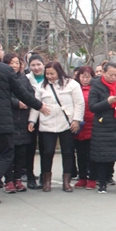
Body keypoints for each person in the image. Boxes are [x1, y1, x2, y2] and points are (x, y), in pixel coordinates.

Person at [0, 40, 49, 204]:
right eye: (1, 49)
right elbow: (22, 92)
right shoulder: (5, 70)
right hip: (1, 121)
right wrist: (39, 105)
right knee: (6, 154)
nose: (3, 52)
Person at [28, 61, 84, 192]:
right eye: (47, 74)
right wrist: (32, 121)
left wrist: (76, 120)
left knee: (67, 152)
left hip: (67, 123)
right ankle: (46, 180)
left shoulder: (72, 84)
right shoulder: (41, 86)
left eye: (52, 73)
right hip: (47, 123)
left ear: (59, 72)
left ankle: (66, 181)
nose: (49, 76)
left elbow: (79, 103)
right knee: (47, 152)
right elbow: (36, 105)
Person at [88, 62, 116, 194]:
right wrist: (108, 102)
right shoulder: (96, 87)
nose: (113, 78)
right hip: (102, 126)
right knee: (103, 156)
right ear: (103, 73)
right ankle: (102, 183)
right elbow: (92, 106)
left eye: (115, 75)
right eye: (110, 75)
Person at [2, 54, 35, 194]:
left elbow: (30, 94)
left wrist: (27, 103)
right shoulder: (4, 77)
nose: (15, 65)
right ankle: (8, 180)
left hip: (23, 120)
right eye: (12, 63)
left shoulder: (24, 78)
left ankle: (18, 179)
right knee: (9, 153)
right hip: (9, 119)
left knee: (21, 153)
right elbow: (3, 97)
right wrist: (16, 103)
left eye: (17, 63)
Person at [73, 66, 98, 190]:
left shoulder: (96, 89)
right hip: (78, 126)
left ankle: (92, 178)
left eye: (88, 77)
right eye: (82, 77)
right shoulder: (74, 88)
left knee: (92, 154)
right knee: (81, 153)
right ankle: (82, 177)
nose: (85, 79)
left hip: (93, 125)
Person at [25, 54, 46, 190]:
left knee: (45, 148)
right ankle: (30, 176)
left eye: (39, 64)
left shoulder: (50, 77)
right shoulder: (25, 79)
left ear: (43, 64)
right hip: (30, 117)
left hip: (47, 116)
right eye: (33, 65)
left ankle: (44, 176)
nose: (36, 67)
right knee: (30, 148)